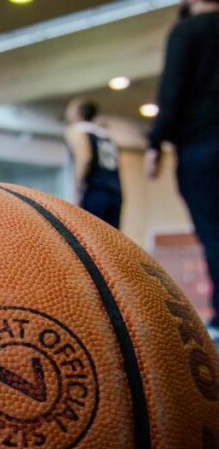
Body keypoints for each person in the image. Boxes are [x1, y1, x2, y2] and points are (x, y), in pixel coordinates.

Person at [145, 0, 219, 340]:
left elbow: (173, 90)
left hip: (203, 146)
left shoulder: (188, 31)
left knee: (213, 231)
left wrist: (155, 142)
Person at [64, 99, 123, 229]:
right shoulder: (105, 134)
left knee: (90, 239)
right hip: (115, 191)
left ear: (77, 113)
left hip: (94, 191)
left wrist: (77, 190)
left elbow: (85, 157)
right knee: (111, 240)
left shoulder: (77, 130)